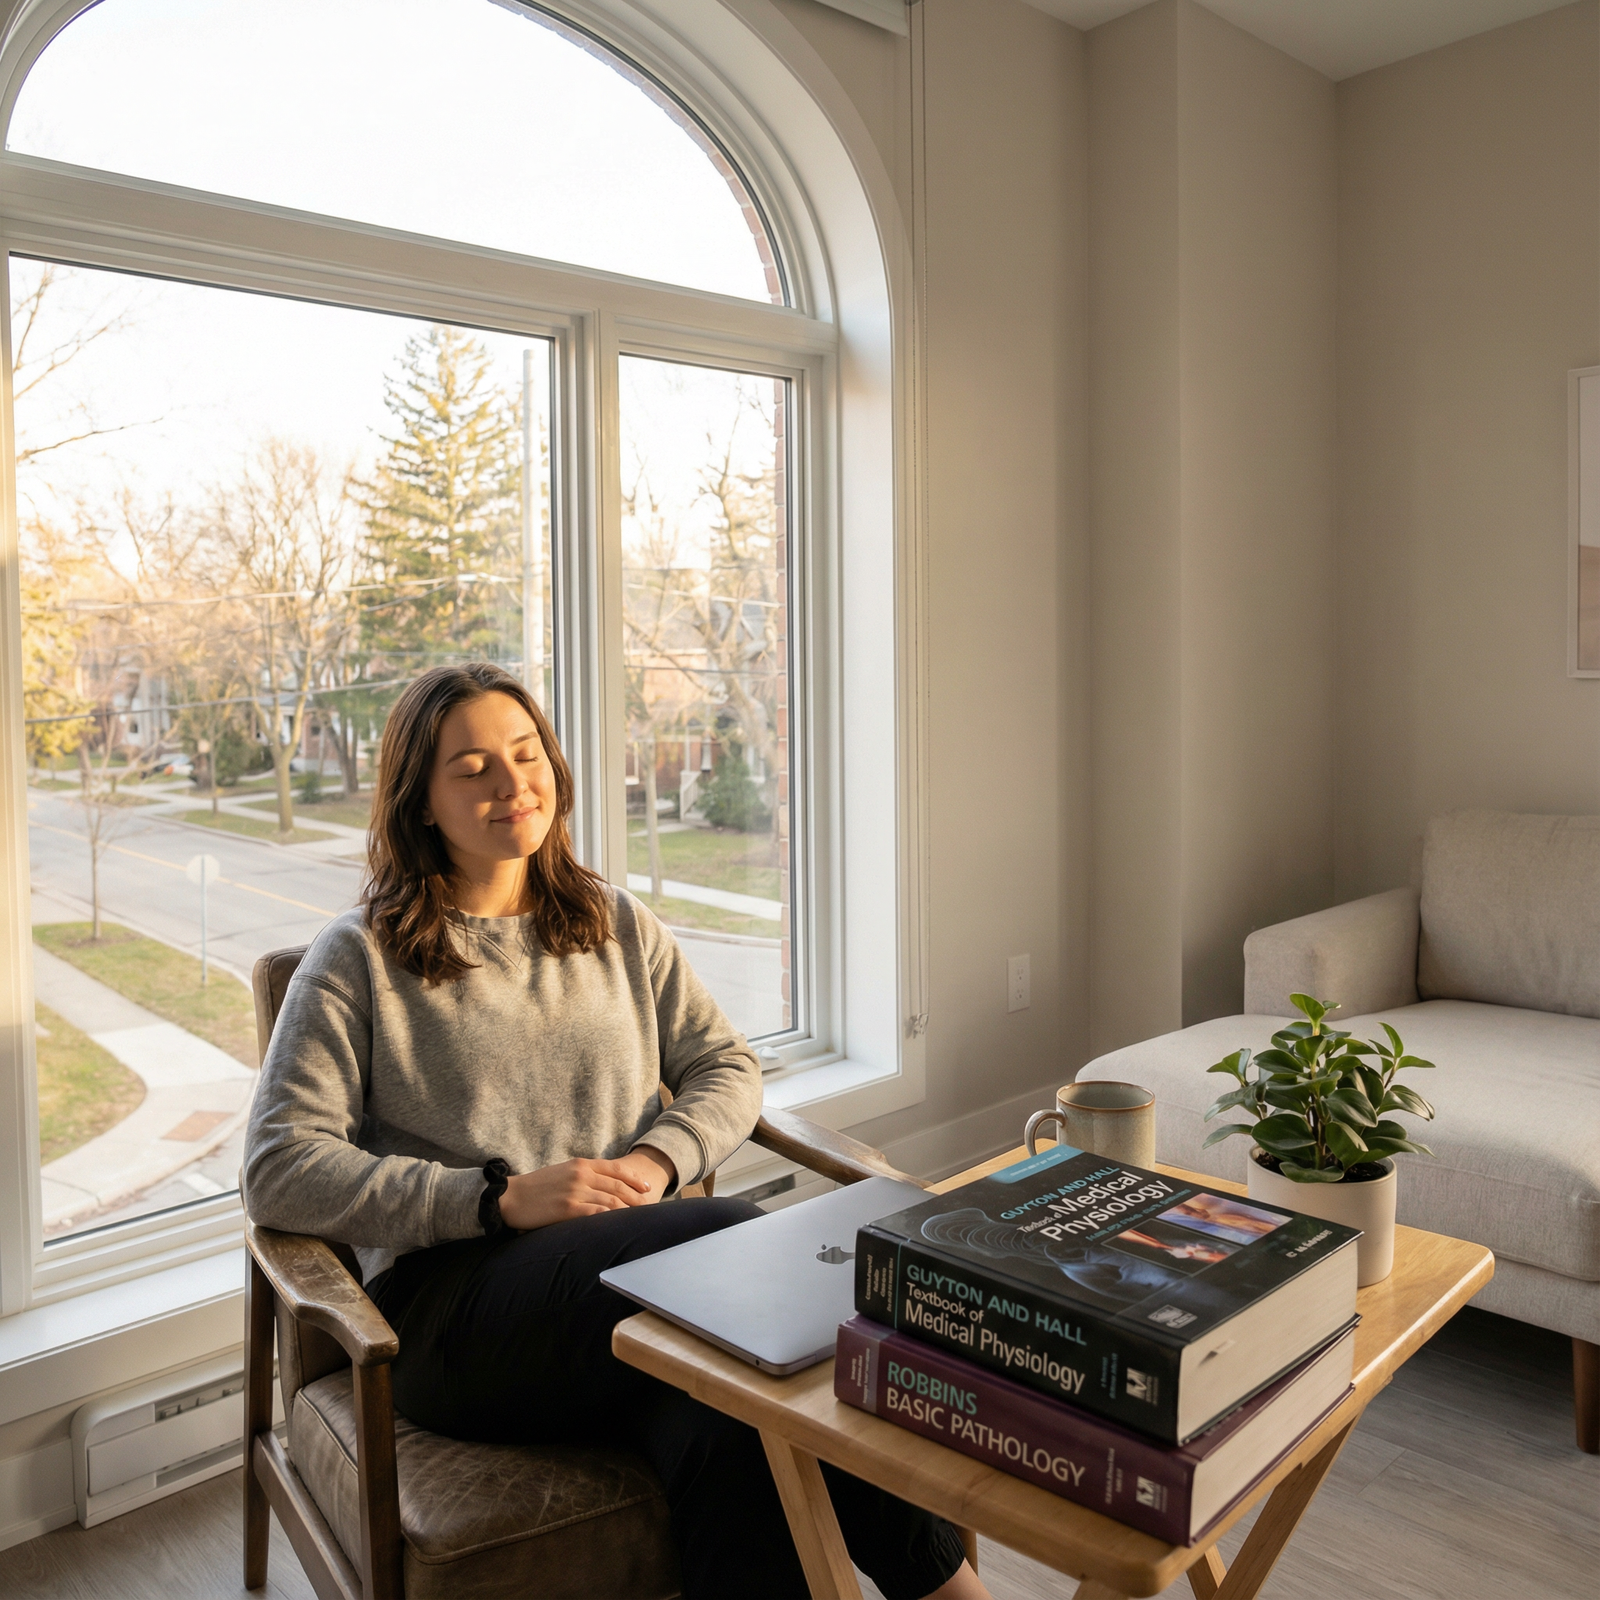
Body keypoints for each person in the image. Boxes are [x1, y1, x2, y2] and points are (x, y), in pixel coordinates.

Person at [243, 662, 988, 1600]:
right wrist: (495, 1199)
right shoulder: (358, 960)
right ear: (420, 801)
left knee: (739, 1431)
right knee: (745, 1252)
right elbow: (279, 1166)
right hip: (458, 1316)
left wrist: (657, 1158)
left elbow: (729, 1068)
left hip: (645, 1294)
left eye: (525, 755)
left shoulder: (613, 923)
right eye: (471, 767)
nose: (512, 784)